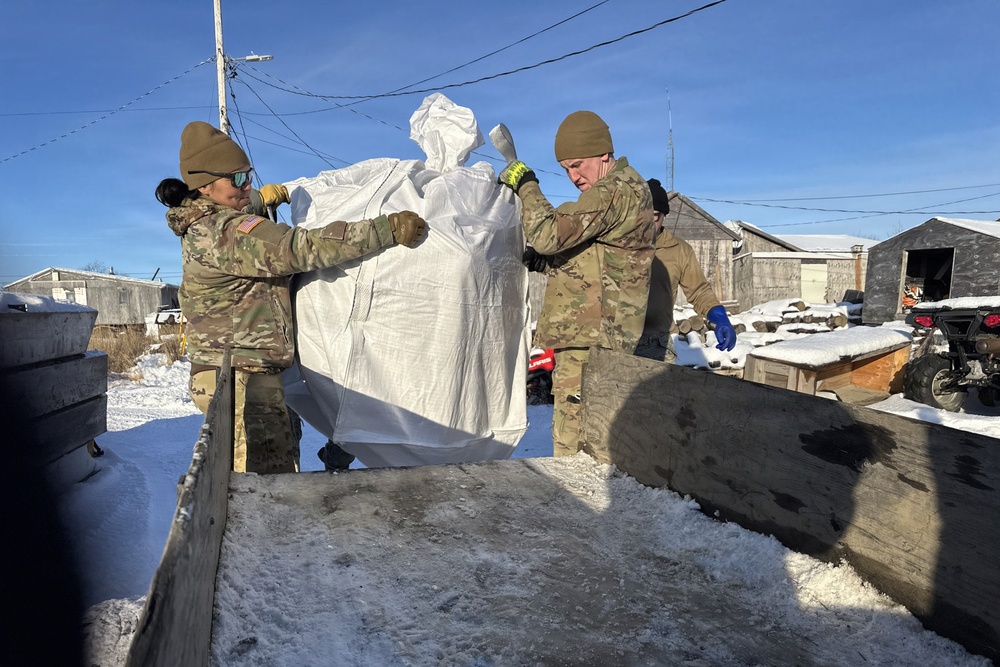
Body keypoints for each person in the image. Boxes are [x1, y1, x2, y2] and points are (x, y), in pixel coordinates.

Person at [157, 121, 427, 474]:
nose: (247, 186)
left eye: (248, 176)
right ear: (204, 186)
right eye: (237, 180)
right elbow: (298, 248)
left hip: (244, 372)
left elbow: (248, 224)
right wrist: (385, 229)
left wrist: (259, 200)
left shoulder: (213, 222)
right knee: (260, 490)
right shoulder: (222, 231)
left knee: (273, 473)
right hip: (241, 380)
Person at [498, 110, 655, 457]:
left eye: (578, 164)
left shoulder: (613, 190)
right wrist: (548, 263)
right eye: (566, 168)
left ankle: (578, 506)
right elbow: (597, 258)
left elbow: (547, 234)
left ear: (604, 154)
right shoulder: (624, 189)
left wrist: (526, 183)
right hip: (596, 337)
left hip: (593, 342)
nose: (572, 176)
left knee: (577, 443)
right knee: (590, 437)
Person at [635, 178, 737, 362]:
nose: (648, 222)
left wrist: (719, 316)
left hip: (659, 342)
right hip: (618, 339)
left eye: (655, 215)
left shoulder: (680, 250)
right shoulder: (616, 246)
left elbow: (699, 291)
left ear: (664, 216)